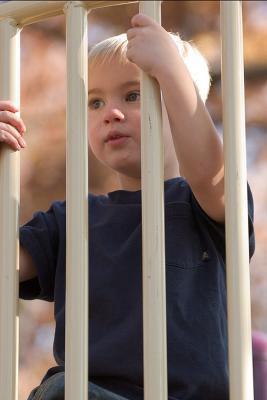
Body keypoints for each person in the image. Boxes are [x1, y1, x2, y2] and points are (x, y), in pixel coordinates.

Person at [0, 14, 255, 400]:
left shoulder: (202, 203)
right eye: (95, 102)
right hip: (89, 393)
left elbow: (211, 173)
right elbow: (9, 265)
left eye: (134, 95)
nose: (110, 112)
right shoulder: (71, 221)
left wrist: (168, 68)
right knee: (60, 389)